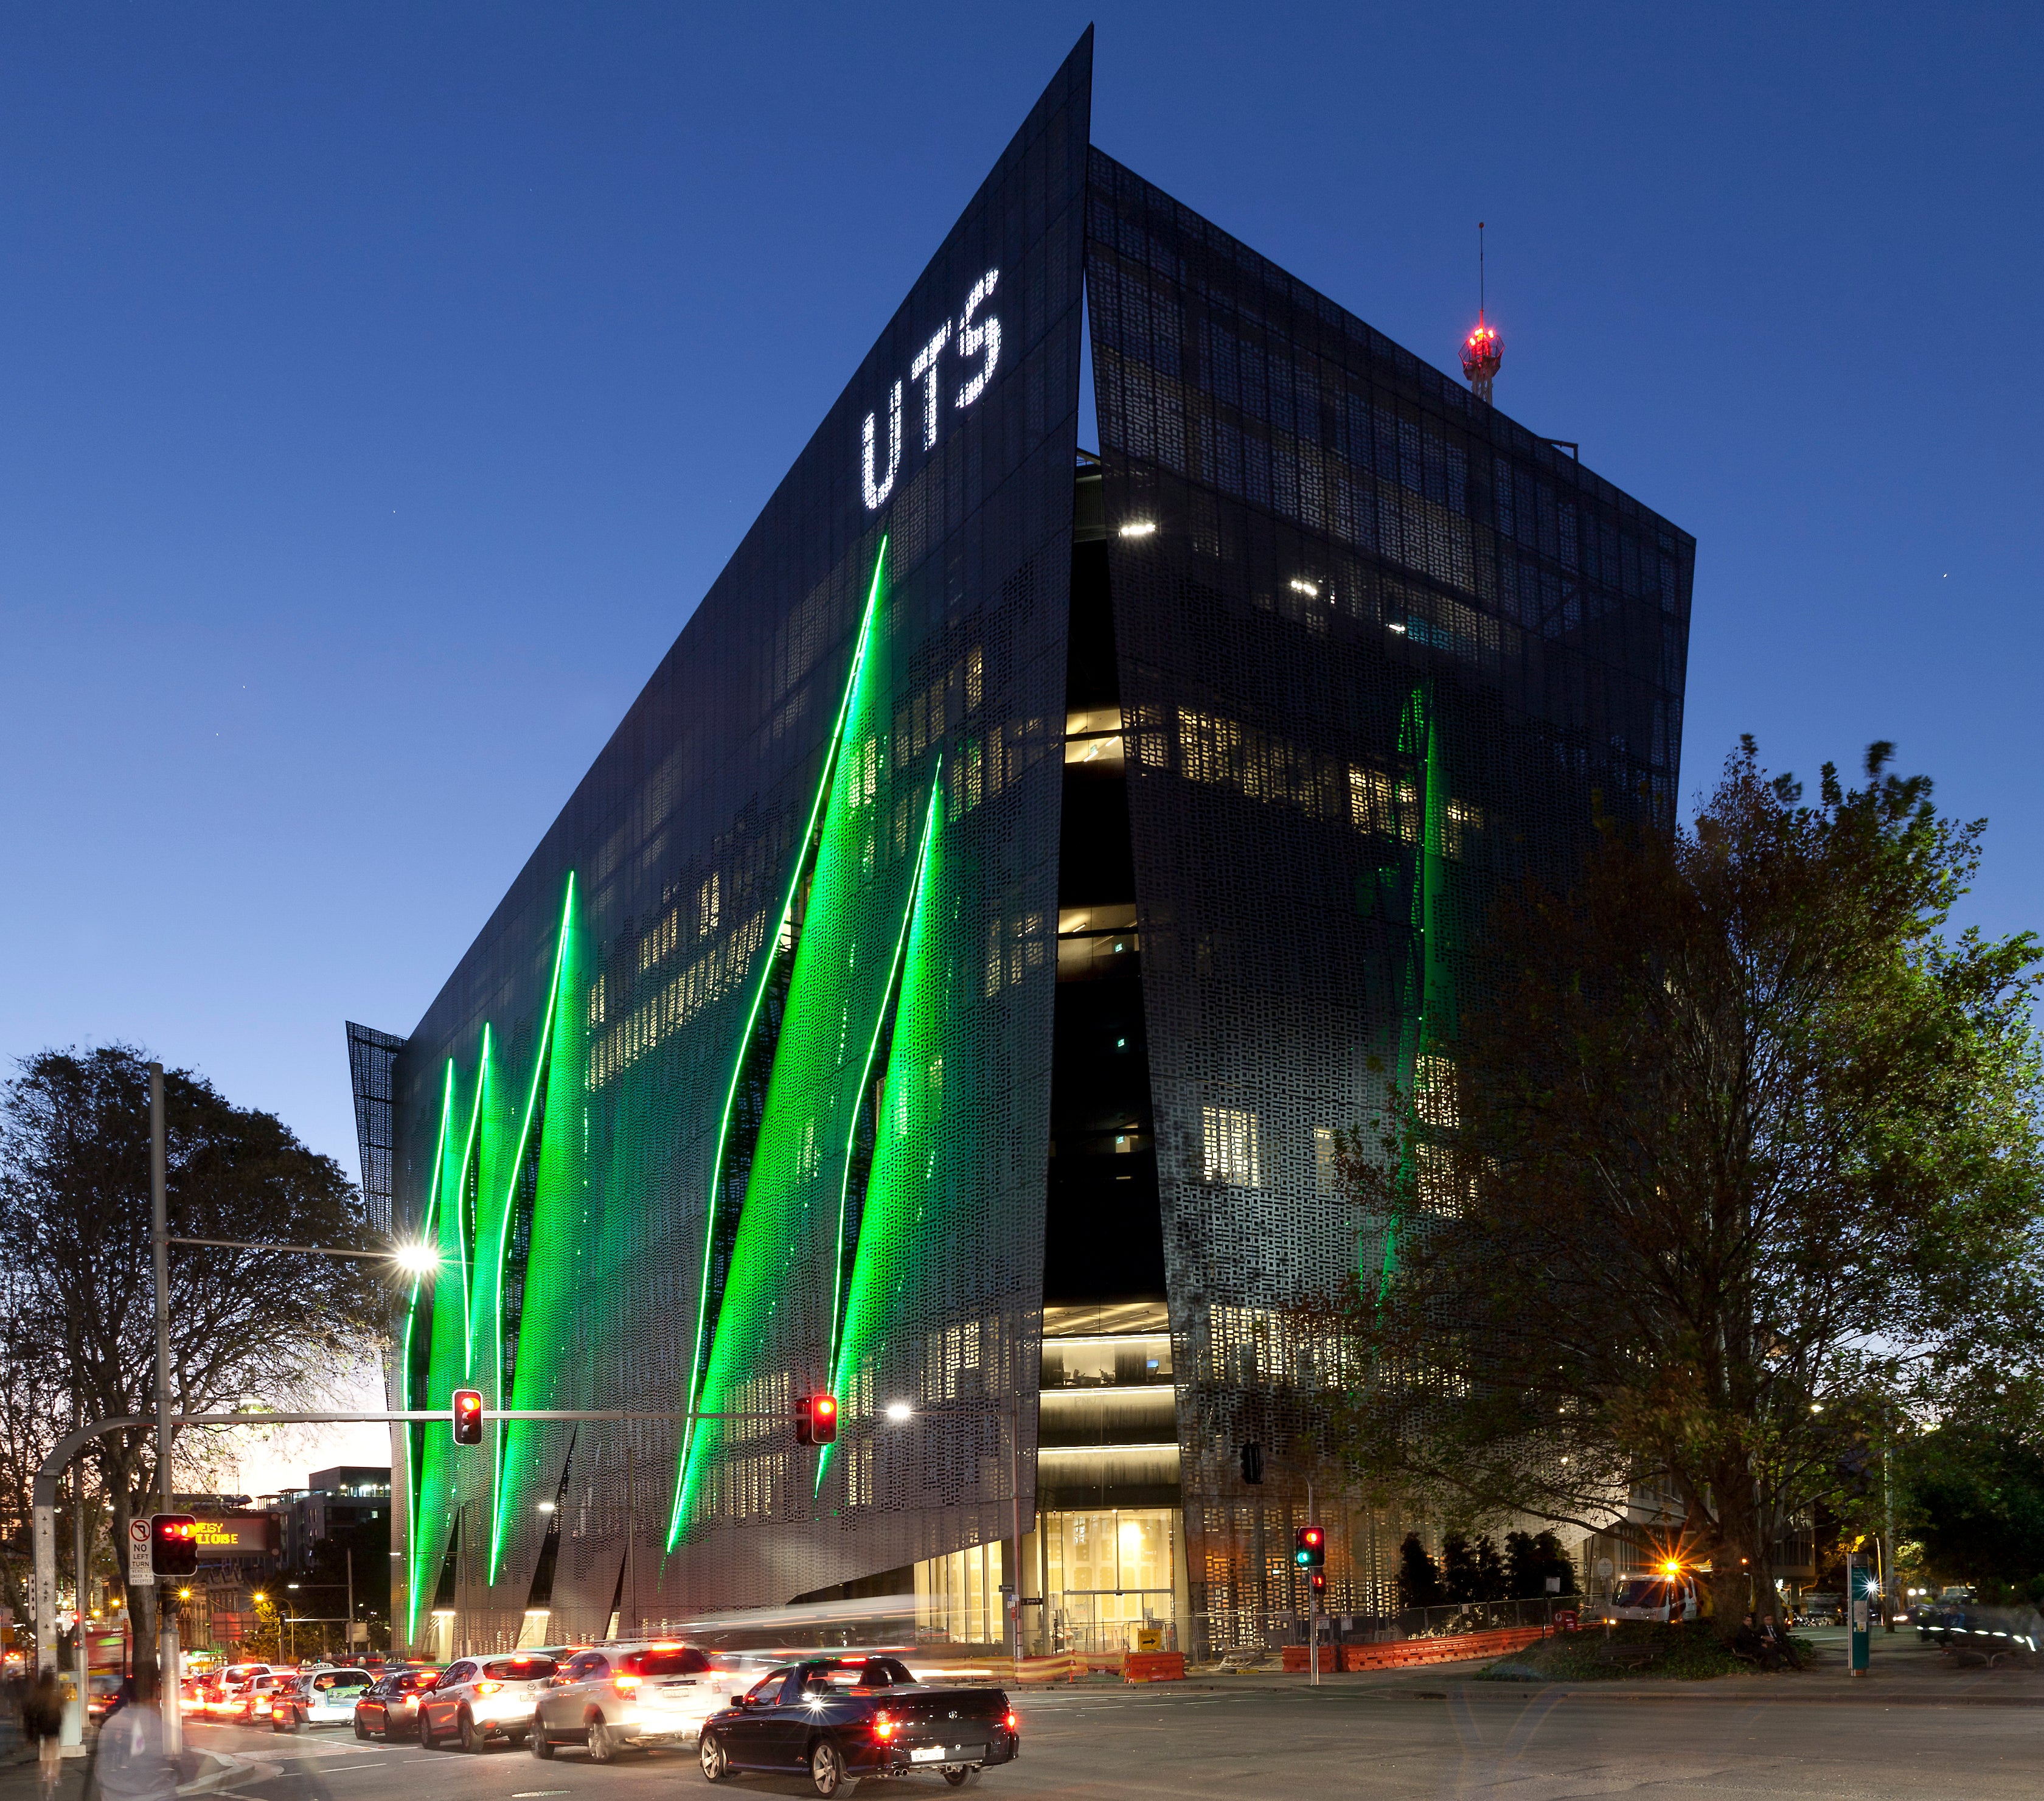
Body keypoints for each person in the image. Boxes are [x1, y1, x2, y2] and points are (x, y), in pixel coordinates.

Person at [83, 1671, 177, 1801]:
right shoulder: (164, 1729)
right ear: (154, 1696)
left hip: (116, 1794)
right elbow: (186, 1770)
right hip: (153, 1794)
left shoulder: (112, 1724)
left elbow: (100, 1767)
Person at [23, 1668, 64, 1801]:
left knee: (44, 1750)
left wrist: (30, 1736)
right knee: (54, 1751)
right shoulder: (55, 1696)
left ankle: (44, 1772)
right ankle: (54, 1778)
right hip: (54, 1727)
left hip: (42, 1727)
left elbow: (29, 1713)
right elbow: (62, 1707)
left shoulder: (37, 1695)